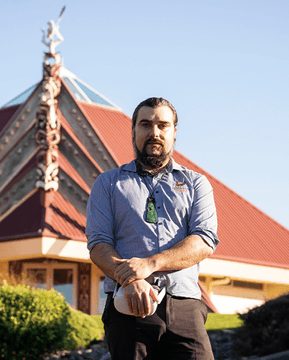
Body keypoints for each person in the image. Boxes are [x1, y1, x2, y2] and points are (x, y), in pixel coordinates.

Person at [86, 97, 219, 360]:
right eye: (145, 124)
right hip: (128, 306)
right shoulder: (108, 184)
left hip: (184, 306)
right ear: (133, 130)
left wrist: (151, 264)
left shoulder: (196, 184)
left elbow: (204, 240)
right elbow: (98, 244)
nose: (154, 133)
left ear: (174, 133)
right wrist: (130, 279)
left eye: (163, 125)